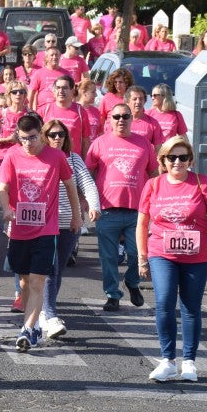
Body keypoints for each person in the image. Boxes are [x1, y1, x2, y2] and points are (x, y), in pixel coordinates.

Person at [136, 136, 207, 382]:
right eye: (172, 157)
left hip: (197, 255)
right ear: (163, 160)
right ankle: (167, 360)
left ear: (190, 160)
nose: (177, 162)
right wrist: (142, 257)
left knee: (190, 307)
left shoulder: (202, 183)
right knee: (164, 301)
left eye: (183, 157)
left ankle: (189, 362)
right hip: (162, 254)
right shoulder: (153, 185)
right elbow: (142, 224)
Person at [0, 114, 81, 351]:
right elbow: (3, 187)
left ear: (40, 134)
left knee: (37, 280)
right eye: (23, 138)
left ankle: (27, 328)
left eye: (32, 137)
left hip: (47, 229)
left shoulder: (56, 156)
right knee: (24, 282)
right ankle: (31, 325)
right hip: (19, 230)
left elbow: (70, 185)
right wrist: (5, 208)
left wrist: (76, 215)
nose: (28, 143)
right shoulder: (12, 155)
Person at [86, 103, 157, 311]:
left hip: (137, 211)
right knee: (108, 257)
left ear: (131, 119)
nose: (121, 120)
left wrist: (156, 202)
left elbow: (153, 175)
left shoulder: (144, 144)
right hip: (107, 210)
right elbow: (87, 174)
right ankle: (112, 294)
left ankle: (132, 283)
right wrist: (88, 201)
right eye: (116, 116)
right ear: (109, 119)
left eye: (125, 116)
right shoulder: (99, 143)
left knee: (138, 254)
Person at [39, 121, 100, 337]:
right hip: (44, 223)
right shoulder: (40, 158)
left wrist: (94, 205)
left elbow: (87, 183)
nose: (57, 138)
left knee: (57, 270)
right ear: (44, 136)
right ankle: (50, 314)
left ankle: (45, 310)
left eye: (61, 134)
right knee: (50, 268)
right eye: (53, 134)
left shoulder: (74, 159)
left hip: (70, 223)